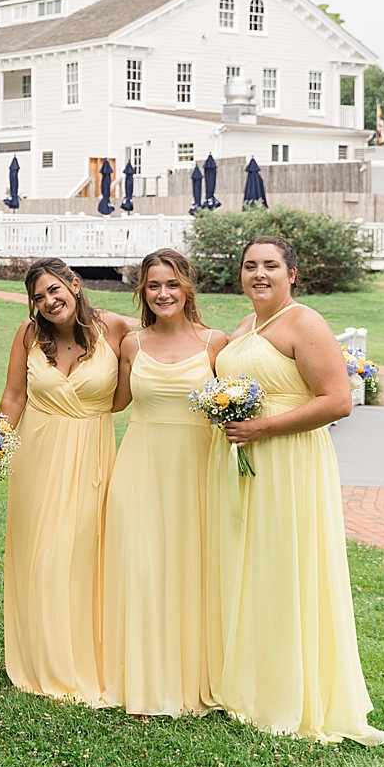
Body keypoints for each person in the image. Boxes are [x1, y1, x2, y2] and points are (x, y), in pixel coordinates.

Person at [216, 236, 384, 744]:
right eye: (250, 266)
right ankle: (253, 680)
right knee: (253, 567)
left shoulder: (305, 322)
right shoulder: (247, 326)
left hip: (290, 460)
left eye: (270, 265)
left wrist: (262, 429)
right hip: (246, 459)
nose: (259, 274)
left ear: (293, 273)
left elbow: (338, 402)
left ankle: (293, 692)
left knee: (286, 566)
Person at [100, 249, 229, 716]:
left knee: (193, 567)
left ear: (188, 287)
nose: (163, 294)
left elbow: (242, 400)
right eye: (153, 286)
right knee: (143, 568)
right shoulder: (132, 345)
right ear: (142, 292)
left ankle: (195, 676)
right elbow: (110, 403)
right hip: (140, 469)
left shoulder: (217, 343)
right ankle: (143, 679)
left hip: (197, 471)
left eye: (171, 284)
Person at [0, 256, 131, 704]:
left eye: (56, 290)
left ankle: (84, 657)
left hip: (92, 452)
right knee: (41, 555)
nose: (50, 301)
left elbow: (169, 335)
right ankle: (44, 655)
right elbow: (14, 395)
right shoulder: (30, 335)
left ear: (75, 285)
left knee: (80, 555)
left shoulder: (116, 328)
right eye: (39, 296)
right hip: (37, 452)